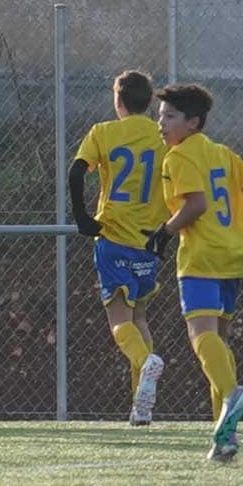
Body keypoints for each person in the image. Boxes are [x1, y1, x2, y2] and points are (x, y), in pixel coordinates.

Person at [151, 84, 243, 462]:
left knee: (201, 336)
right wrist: (230, 230)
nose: (160, 123)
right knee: (221, 342)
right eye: (160, 114)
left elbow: (195, 204)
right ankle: (224, 436)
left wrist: (164, 233)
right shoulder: (222, 153)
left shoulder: (178, 157)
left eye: (169, 116)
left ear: (192, 123)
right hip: (231, 255)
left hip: (199, 258)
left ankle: (232, 397)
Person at [69, 70, 170, 425]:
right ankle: (140, 409)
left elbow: (77, 171)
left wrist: (82, 217)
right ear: (149, 101)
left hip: (113, 238)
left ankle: (146, 364)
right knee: (139, 318)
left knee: (119, 323)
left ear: (118, 100)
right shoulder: (163, 137)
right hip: (148, 241)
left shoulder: (104, 132)